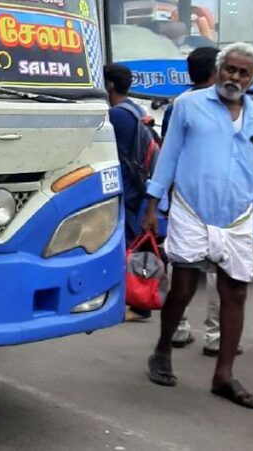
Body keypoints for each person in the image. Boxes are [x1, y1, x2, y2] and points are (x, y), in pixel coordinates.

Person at [143, 42, 253, 409]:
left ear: (252, 79)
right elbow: (168, 156)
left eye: (242, 72)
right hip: (191, 210)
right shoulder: (189, 105)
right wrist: (154, 204)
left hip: (237, 218)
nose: (234, 77)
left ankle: (224, 375)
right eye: (229, 69)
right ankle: (161, 349)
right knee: (184, 286)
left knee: (235, 293)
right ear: (219, 70)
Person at [162, 47, 227, 352]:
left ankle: (178, 329)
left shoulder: (178, 104)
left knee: (182, 262)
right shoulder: (225, 105)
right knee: (220, 266)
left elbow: (167, 153)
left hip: (184, 195)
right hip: (220, 196)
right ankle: (215, 337)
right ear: (216, 71)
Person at [104, 64, 159, 322]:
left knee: (127, 244)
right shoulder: (136, 108)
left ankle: (138, 304)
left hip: (125, 187)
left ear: (110, 85)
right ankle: (138, 301)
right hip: (139, 185)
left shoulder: (116, 115)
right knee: (135, 242)